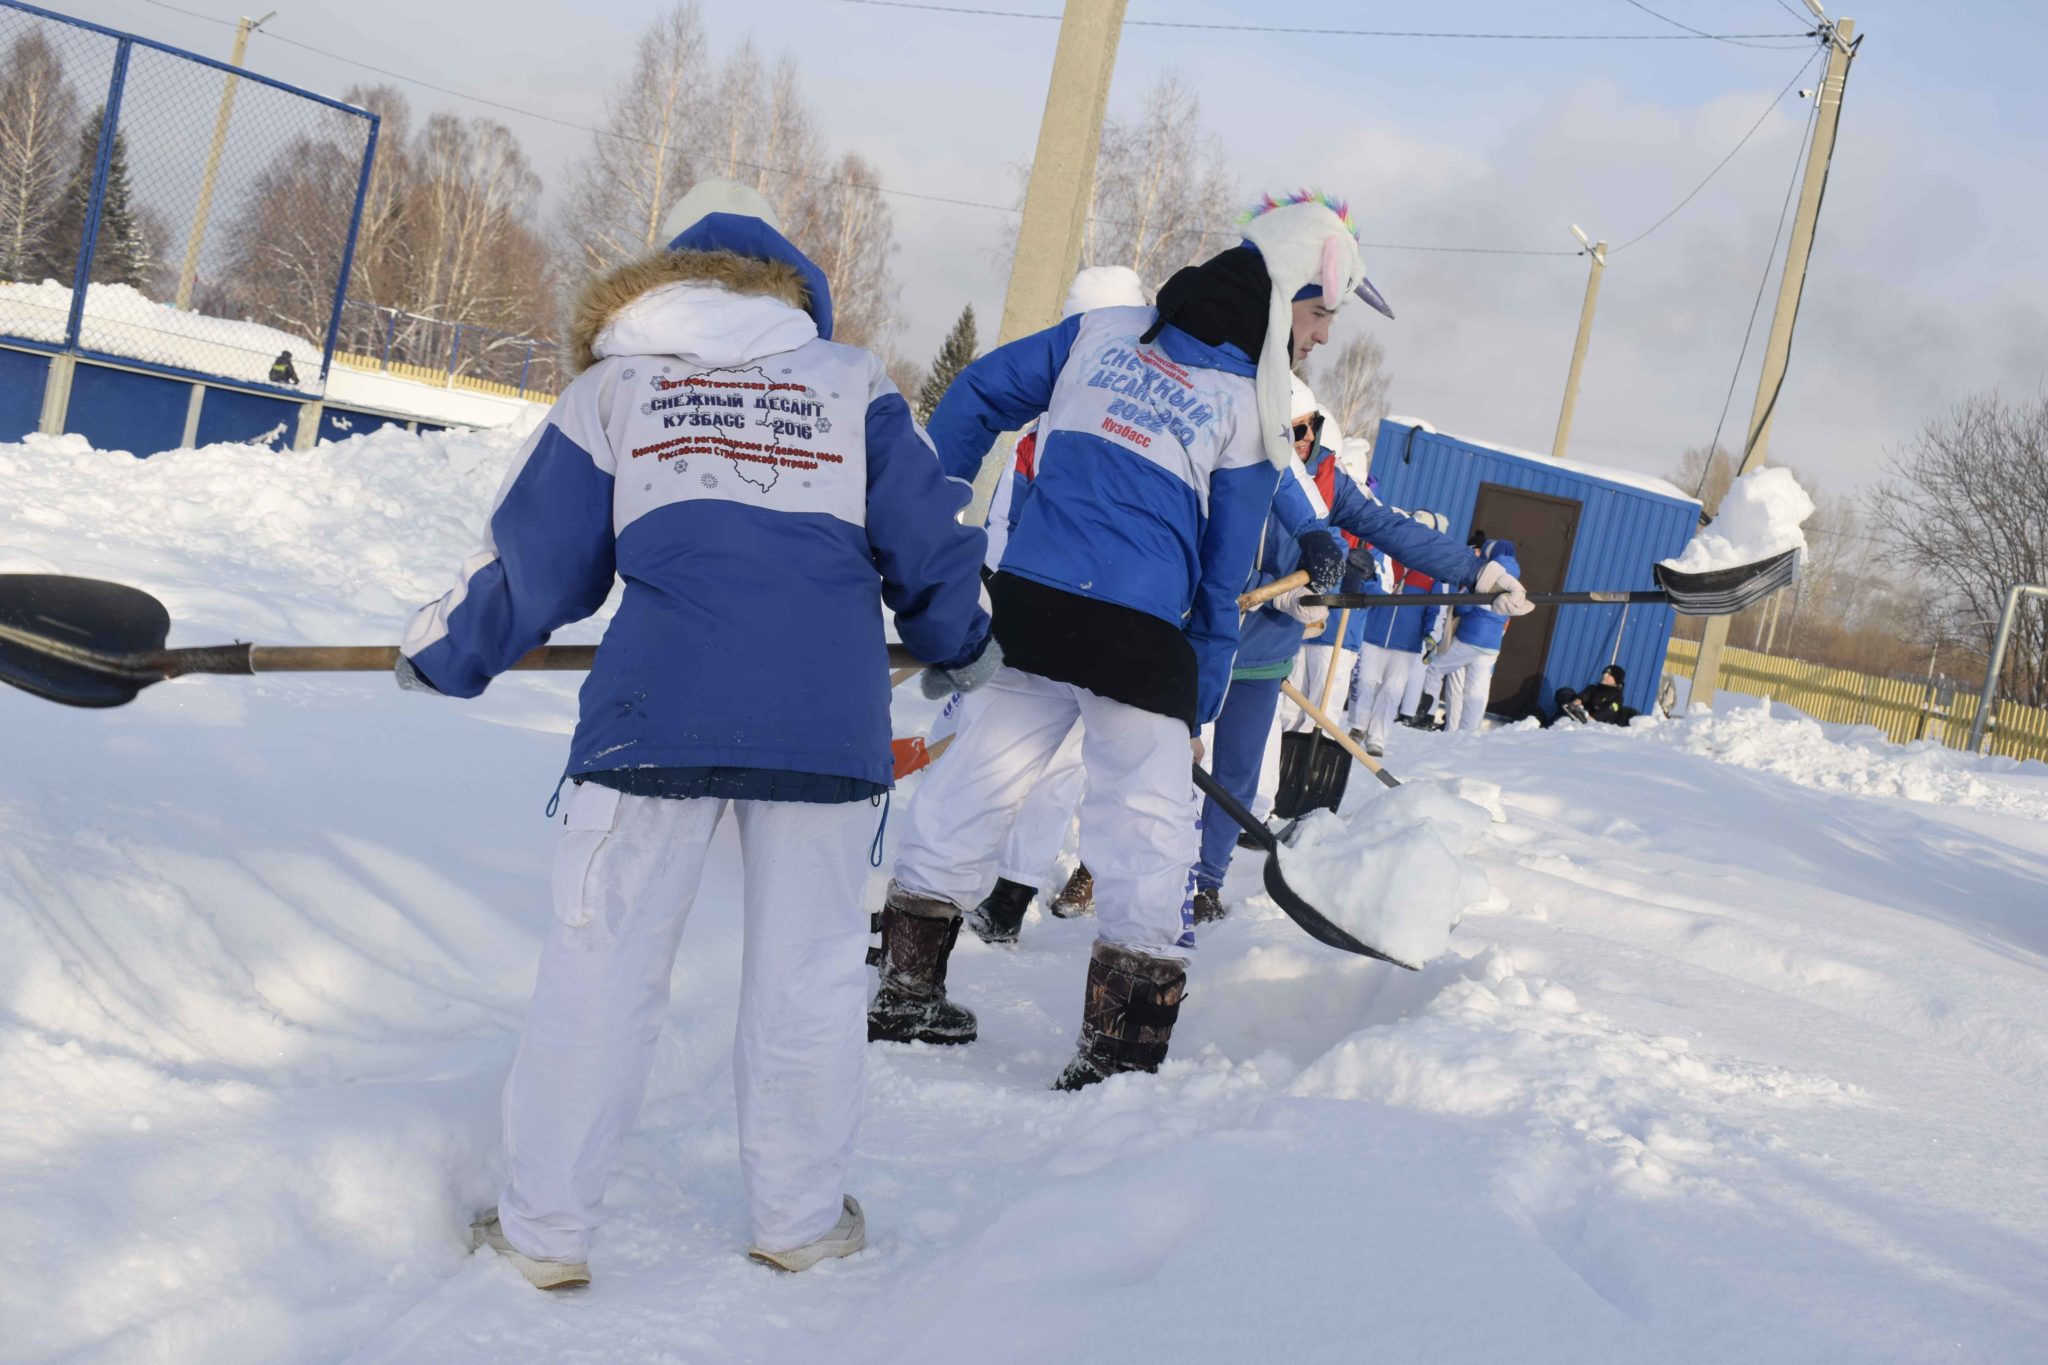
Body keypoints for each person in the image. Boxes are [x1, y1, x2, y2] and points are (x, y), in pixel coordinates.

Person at [396, 181, 993, 1288]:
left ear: (659, 279)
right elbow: (928, 539)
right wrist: (957, 637)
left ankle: (542, 1237)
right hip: (827, 728)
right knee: (809, 980)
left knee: (600, 972)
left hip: (649, 720)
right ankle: (800, 1225)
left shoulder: (615, 386)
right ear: (792, 292)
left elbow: (539, 564)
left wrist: (448, 650)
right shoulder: (851, 381)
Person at [878, 190, 1461, 1089]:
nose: (1323, 336)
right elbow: (1221, 576)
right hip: (1137, 635)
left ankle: (905, 987)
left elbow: (983, 390)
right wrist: (1202, 692)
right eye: (1319, 312)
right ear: (1281, 292)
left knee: (973, 783)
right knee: (1147, 833)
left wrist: (932, 495)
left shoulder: (1100, 331)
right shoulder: (1251, 403)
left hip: (1030, 603)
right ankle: (1117, 1048)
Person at [1203, 381, 1496, 919]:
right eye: (1292, 430)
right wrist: (1272, 585)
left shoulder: (1330, 485)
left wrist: (1477, 570)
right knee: (1160, 765)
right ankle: (1095, 870)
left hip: (1264, 656)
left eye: (1310, 427)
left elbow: (1392, 531)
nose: (1303, 438)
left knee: (1237, 775)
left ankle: (1206, 884)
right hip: (1199, 641)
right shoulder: (1223, 457)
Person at [959, 267, 1149, 946]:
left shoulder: (1065, 431)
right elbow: (1006, 521)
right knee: (1035, 761)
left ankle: (997, 898)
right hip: (1068, 609)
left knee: (1029, 760)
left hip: (1056, 611)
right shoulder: (1052, 432)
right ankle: (993, 894)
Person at [1346, 512, 1451, 756]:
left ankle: (1378, 737)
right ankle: (1358, 727)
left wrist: (1430, 637)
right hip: (1373, 633)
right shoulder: (1385, 557)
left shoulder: (1433, 571)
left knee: (1392, 691)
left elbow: (1436, 608)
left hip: (1406, 643)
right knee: (1364, 682)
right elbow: (1365, 583)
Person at [1417, 531, 1522, 733]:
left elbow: (1463, 606)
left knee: (1435, 668)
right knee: (1476, 689)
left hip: (1470, 635)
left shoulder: (1487, 574)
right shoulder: (1514, 581)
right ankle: (1467, 733)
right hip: (1492, 644)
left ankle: (1427, 716)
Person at [1556, 663, 1638, 726]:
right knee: (1565, 693)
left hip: (1597, 723)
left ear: (1616, 680)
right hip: (1581, 715)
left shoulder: (1617, 697)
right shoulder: (1593, 688)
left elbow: (1608, 711)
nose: (1605, 675)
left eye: (1609, 675)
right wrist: (1578, 700)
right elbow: (1586, 695)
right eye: (1604, 673)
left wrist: (1593, 718)